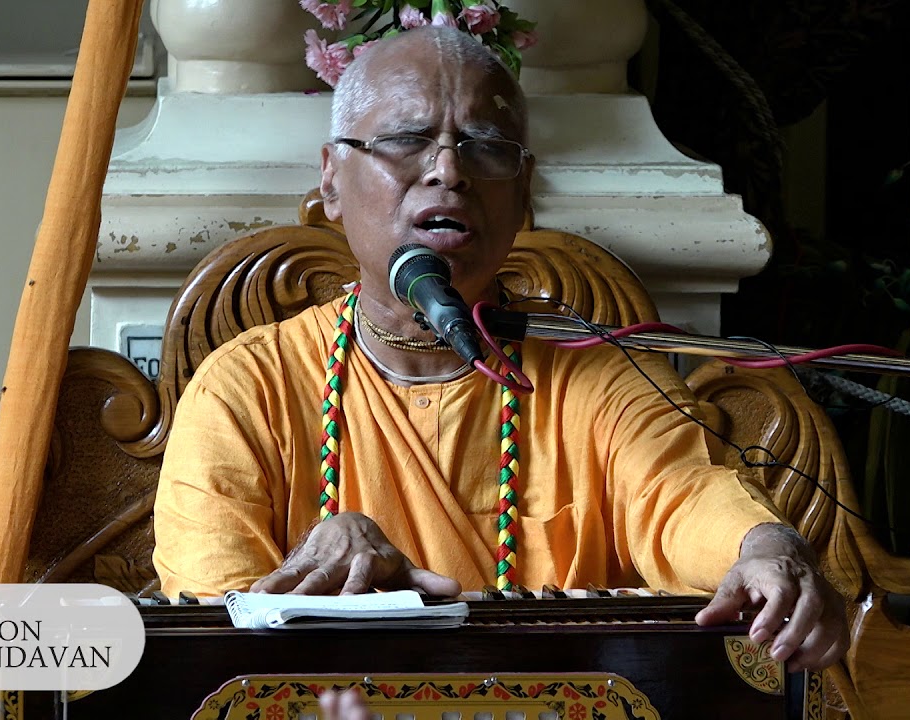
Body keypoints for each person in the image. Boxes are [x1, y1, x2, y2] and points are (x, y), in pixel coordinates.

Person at [153, 26, 849, 672]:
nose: (448, 172)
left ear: (523, 192)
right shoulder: (246, 387)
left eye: (486, 147)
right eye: (406, 139)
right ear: (332, 178)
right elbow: (214, 638)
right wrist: (317, 572)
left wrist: (767, 547)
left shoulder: (596, 378)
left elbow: (683, 496)